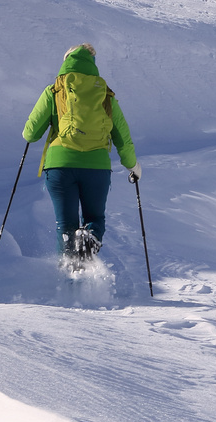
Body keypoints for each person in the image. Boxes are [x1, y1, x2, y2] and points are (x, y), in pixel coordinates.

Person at [22, 44, 140, 260]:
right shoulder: (105, 95)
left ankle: (68, 273)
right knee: (95, 217)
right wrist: (133, 166)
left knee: (65, 225)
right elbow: (122, 137)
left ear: (65, 62)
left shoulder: (55, 90)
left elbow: (30, 134)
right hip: (96, 168)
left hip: (60, 166)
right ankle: (89, 240)